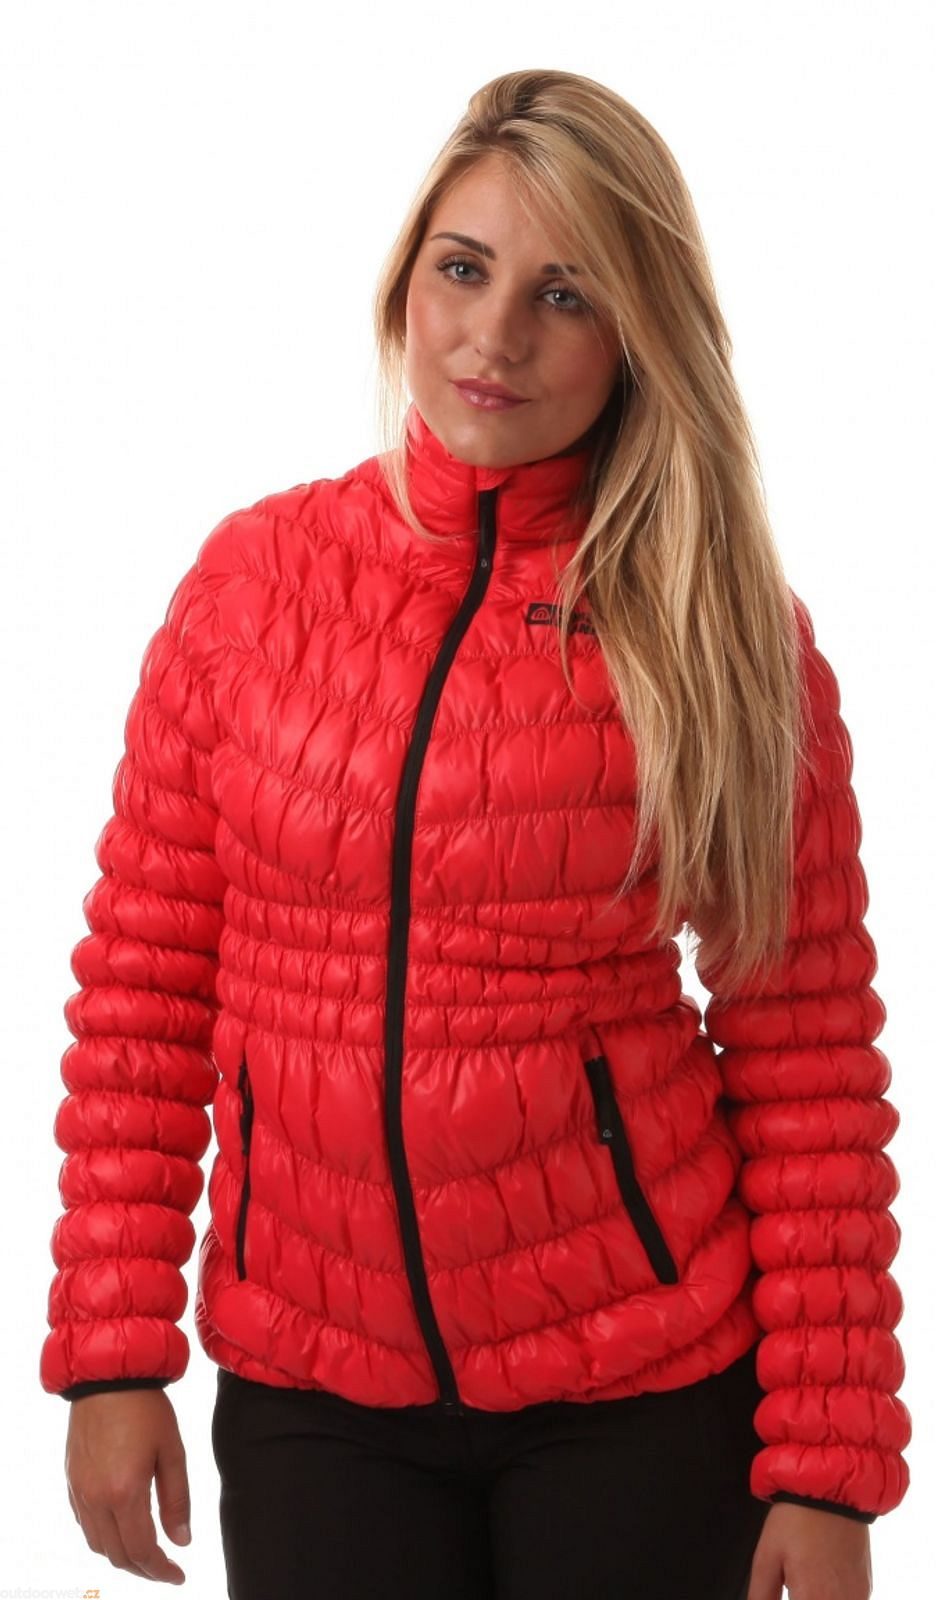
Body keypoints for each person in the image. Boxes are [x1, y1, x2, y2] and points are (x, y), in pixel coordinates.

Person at [42, 69, 910, 1600]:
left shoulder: (719, 633)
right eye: (465, 269)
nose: (494, 335)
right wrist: (112, 1354)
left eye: (564, 294)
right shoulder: (252, 588)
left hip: (638, 1396)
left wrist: (828, 1465)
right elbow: (144, 990)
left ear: (637, 335)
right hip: (313, 1394)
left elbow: (809, 1061)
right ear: (405, 283)